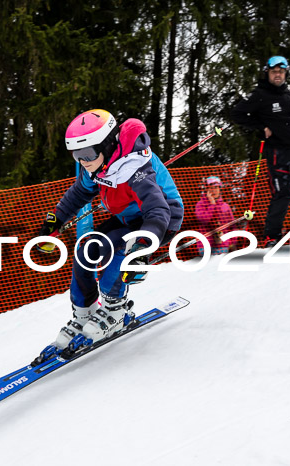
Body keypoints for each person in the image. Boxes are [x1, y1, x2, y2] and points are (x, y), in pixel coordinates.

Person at [35, 109, 184, 359]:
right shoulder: (97, 163)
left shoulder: (135, 166)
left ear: (106, 144)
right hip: (127, 218)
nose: (83, 161)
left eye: (87, 154)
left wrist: (142, 246)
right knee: (87, 248)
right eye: (76, 155)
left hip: (160, 220)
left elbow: (158, 209)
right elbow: (79, 193)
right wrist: (56, 222)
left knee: (121, 250)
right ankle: (85, 313)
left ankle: (116, 310)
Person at [230, 55, 290, 248]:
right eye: (274, 71)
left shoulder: (289, 95)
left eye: (281, 72)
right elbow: (237, 114)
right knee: (283, 194)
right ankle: (272, 236)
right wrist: (262, 128)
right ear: (267, 73)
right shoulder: (260, 95)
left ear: (286, 73)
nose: (278, 75)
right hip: (279, 152)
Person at [194, 176, 237, 255]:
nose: (214, 190)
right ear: (207, 189)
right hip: (205, 246)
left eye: (216, 187)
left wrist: (232, 242)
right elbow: (204, 220)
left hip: (223, 246)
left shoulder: (225, 206)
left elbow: (232, 226)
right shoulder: (200, 204)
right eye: (211, 188)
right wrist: (212, 205)